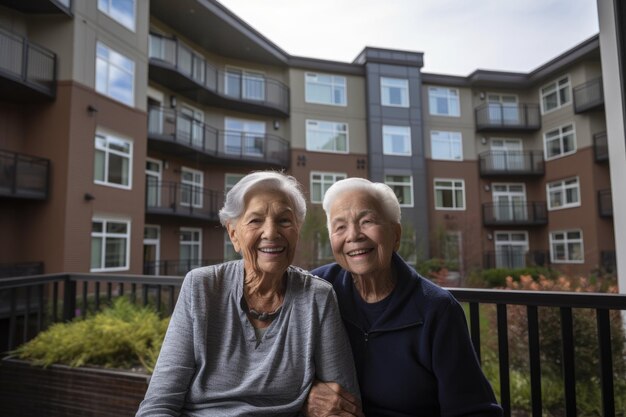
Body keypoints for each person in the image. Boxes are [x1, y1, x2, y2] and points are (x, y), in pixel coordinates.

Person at [136, 171, 360, 417]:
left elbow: (345, 405)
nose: (271, 232)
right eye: (255, 221)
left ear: (297, 229)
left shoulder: (317, 297)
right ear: (234, 234)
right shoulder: (202, 287)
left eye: (284, 221)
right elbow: (158, 405)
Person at [305, 177, 502, 417]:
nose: (353, 235)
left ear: (395, 235)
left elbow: (474, 410)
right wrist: (305, 395)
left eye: (367, 221)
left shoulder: (437, 309)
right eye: (340, 227)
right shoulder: (316, 290)